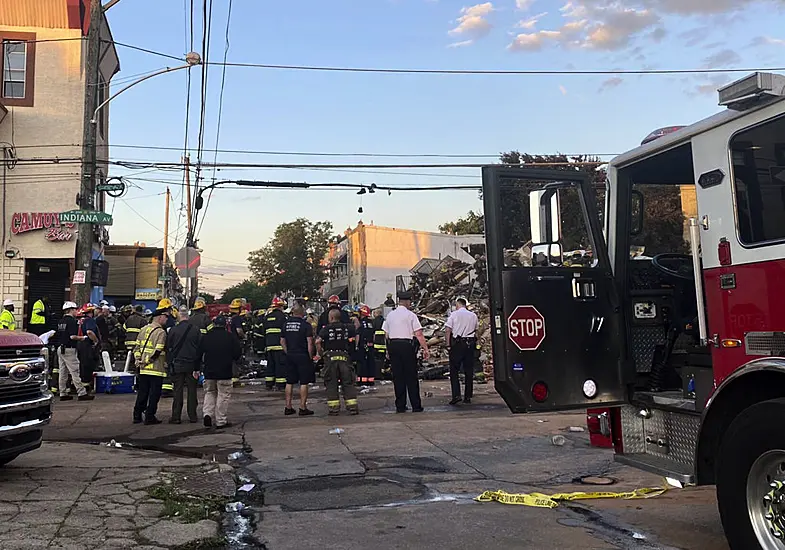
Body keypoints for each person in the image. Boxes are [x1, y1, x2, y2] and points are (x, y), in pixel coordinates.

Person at [383, 291, 430, 413]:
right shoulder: (411, 315)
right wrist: (425, 349)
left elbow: (386, 334)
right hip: (407, 346)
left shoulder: (390, 315)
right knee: (411, 377)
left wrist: (387, 350)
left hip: (393, 346)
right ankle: (416, 405)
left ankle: (400, 405)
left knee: (398, 377)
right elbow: (419, 334)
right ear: (407, 302)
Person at [132, 302, 170, 425]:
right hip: (156, 369)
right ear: (160, 317)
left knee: (142, 392)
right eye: (166, 317)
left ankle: (137, 415)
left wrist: (139, 360)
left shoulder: (143, 329)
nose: (167, 319)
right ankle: (150, 416)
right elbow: (158, 351)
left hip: (143, 369)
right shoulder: (161, 332)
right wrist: (148, 361)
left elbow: (136, 348)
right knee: (154, 394)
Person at [201, 314, 242, 428]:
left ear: (214, 324)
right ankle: (220, 421)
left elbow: (199, 352)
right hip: (225, 371)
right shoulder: (230, 337)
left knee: (210, 392)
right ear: (225, 325)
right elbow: (237, 353)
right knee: (223, 395)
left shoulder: (207, 336)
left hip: (209, 371)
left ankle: (207, 414)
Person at [317, 308, 359, 415]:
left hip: (330, 358)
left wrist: (321, 352)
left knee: (331, 384)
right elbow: (357, 328)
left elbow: (318, 341)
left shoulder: (326, 328)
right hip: (344, 357)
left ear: (331, 318)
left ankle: (334, 409)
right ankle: (352, 407)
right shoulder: (346, 327)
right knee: (348, 383)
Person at [167, 306, 202, 424]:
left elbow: (168, 347)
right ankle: (193, 416)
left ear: (179, 316)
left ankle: (176, 417)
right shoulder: (196, 330)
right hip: (192, 365)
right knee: (192, 391)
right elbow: (199, 349)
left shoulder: (173, 330)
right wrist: (198, 367)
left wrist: (169, 363)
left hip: (177, 364)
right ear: (188, 316)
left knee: (177, 391)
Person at [56, 301, 94, 401]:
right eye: (75, 309)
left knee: (63, 372)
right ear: (71, 310)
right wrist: (83, 338)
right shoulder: (72, 321)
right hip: (69, 349)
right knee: (75, 371)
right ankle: (81, 393)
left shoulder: (61, 321)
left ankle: (63, 393)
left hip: (60, 348)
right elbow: (72, 336)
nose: (76, 311)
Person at [282, 304, 316, 416]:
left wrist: (288, 352)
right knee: (304, 381)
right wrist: (311, 356)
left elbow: (282, 341)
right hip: (303, 356)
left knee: (289, 381)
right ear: (302, 313)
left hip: (290, 355)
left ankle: (288, 407)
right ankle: (302, 407)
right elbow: (310, 343)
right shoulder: (305, 325)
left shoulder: (285, 324)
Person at [445, 297, 479, 405]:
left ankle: (456, 395)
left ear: (457, 305)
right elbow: (476, 330)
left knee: (454, 370)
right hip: (470, 344)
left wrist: (448, 344)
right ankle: (468, 396)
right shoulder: (473, 315)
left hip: (457, 344)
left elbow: (448, 330)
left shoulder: (454, 315)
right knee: (469, 371)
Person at [263, 297, 287, 390]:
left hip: (269, 345)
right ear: (281, 306)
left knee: (270, 365)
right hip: (279, 345)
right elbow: (285, 331)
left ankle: (269, 383)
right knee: (280, 365)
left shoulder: (267, 317)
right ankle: (280, 385)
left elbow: (264, 331)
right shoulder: (283, 317)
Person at [77, 304, 100, 391]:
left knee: (80, 366)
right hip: (87, 346)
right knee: (87, 366)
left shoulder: (80, 320)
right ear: (91, 312)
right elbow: (89, 332)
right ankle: (85, 387)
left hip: (78, 345)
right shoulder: (90, 320)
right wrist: (96, 341)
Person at [357, 305, 376, 385]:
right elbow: (374, 335)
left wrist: (356, 345)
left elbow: (358, 335)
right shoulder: (371, 323)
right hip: (370, 345)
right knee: (371, 362)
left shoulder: (360, 323)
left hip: (362, 345)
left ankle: (362, 380)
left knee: (362, 363)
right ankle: (370, 380)